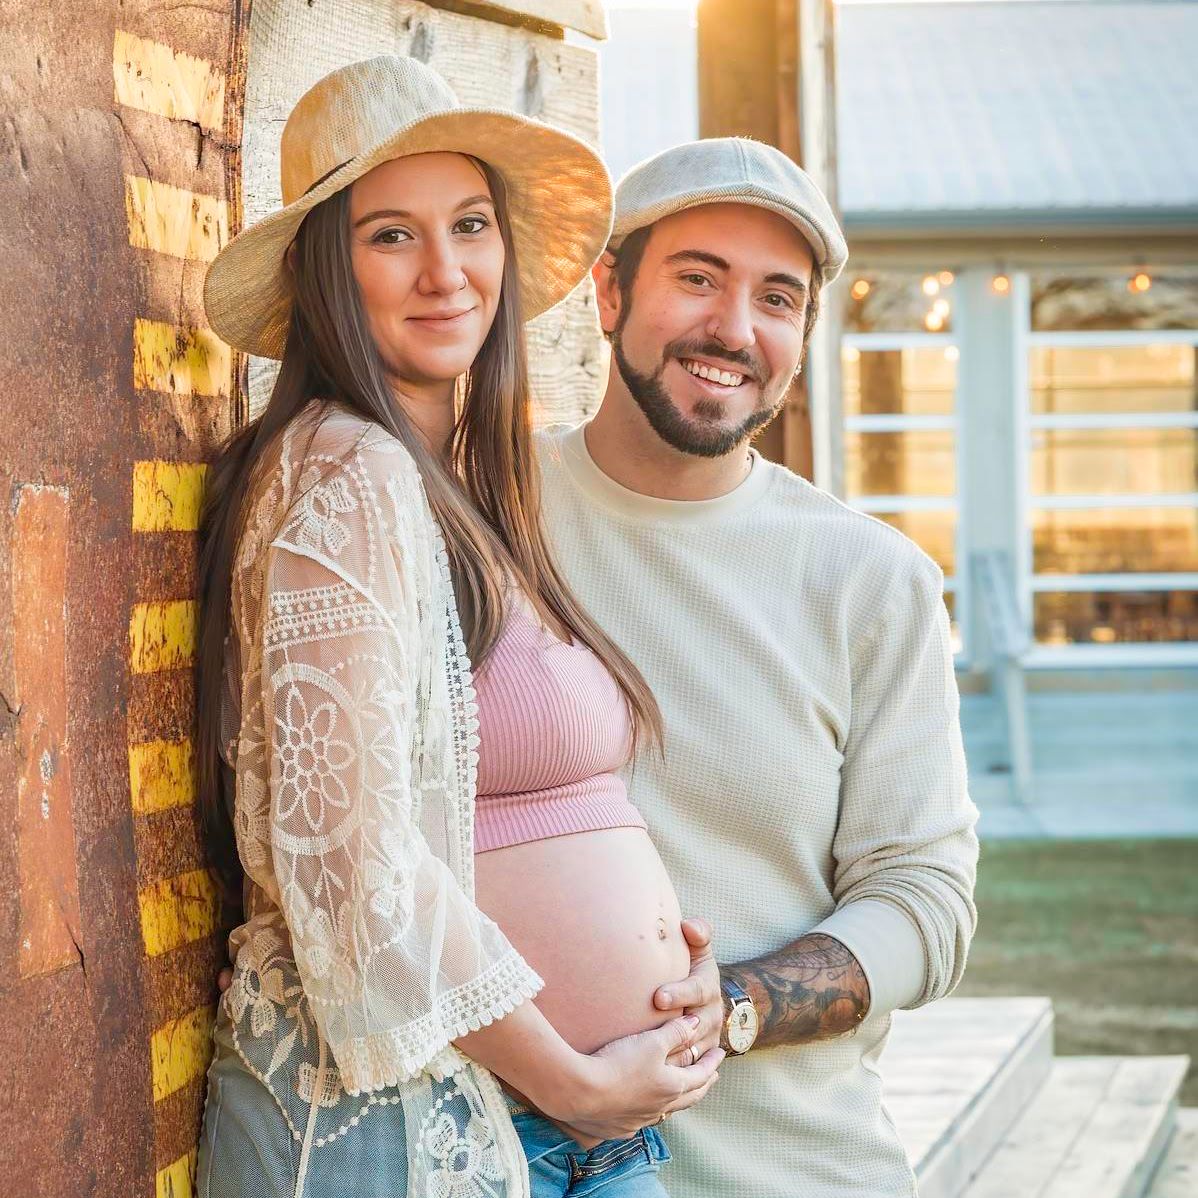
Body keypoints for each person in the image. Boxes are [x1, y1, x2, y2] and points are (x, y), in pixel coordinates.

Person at [195, 55, 722, 1198]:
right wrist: (574, 1078)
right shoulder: (347, 474)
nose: (445, 273)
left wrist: (677, 971)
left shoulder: (472, 490)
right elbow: (351, 860)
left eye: (470, 224)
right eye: (391, 235)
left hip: (574, 1131)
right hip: (439, 1125)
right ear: (328, 270)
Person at [528, 138, 981, 1197]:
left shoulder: (870, 580)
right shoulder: (478, 509)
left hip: (787, 1171)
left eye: (776, 299)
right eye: (697, 278)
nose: (733, 329)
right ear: (607, 290)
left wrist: (727, 1006)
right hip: (504, 1163)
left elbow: (923, 897)